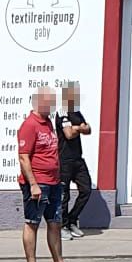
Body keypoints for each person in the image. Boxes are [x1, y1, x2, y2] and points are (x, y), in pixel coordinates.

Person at [18, 85, 84, 262]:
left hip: (54, 181)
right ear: (39, 102)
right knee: (33, 223)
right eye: (50, 102)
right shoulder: (29, 125)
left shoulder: (47, 123)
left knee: (55, 223)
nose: (53, 105)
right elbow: (23, 157)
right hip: (38, 182)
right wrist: (33, 184)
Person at [56, 83, 93, 239]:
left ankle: (72, 220)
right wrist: (79, 128)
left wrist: (77, 128)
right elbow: (69, 134)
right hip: (64, 159)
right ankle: (62, 225)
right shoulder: (62, 112)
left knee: (86, 189)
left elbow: (89, 129)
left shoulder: (77, 112)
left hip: (78, 159)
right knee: (64, 195)